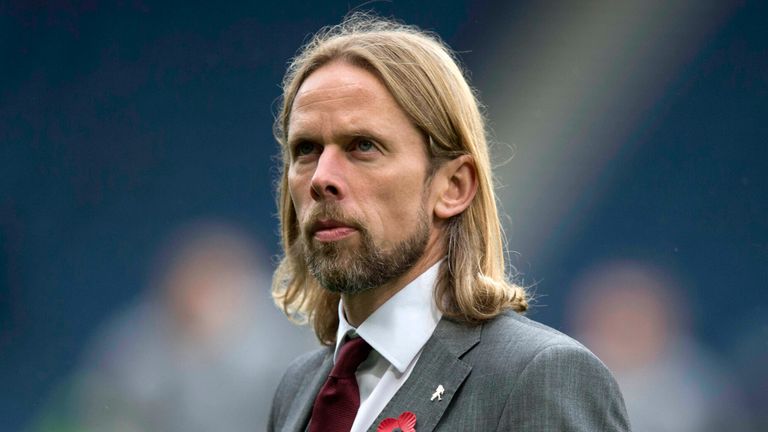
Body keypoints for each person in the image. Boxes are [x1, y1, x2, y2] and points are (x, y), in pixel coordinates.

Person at [268, 13, 630, 432]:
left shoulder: (538, 376)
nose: (321, 178)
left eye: (363, 146)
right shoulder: (298, 388)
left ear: (454, 186)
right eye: (306, 150)